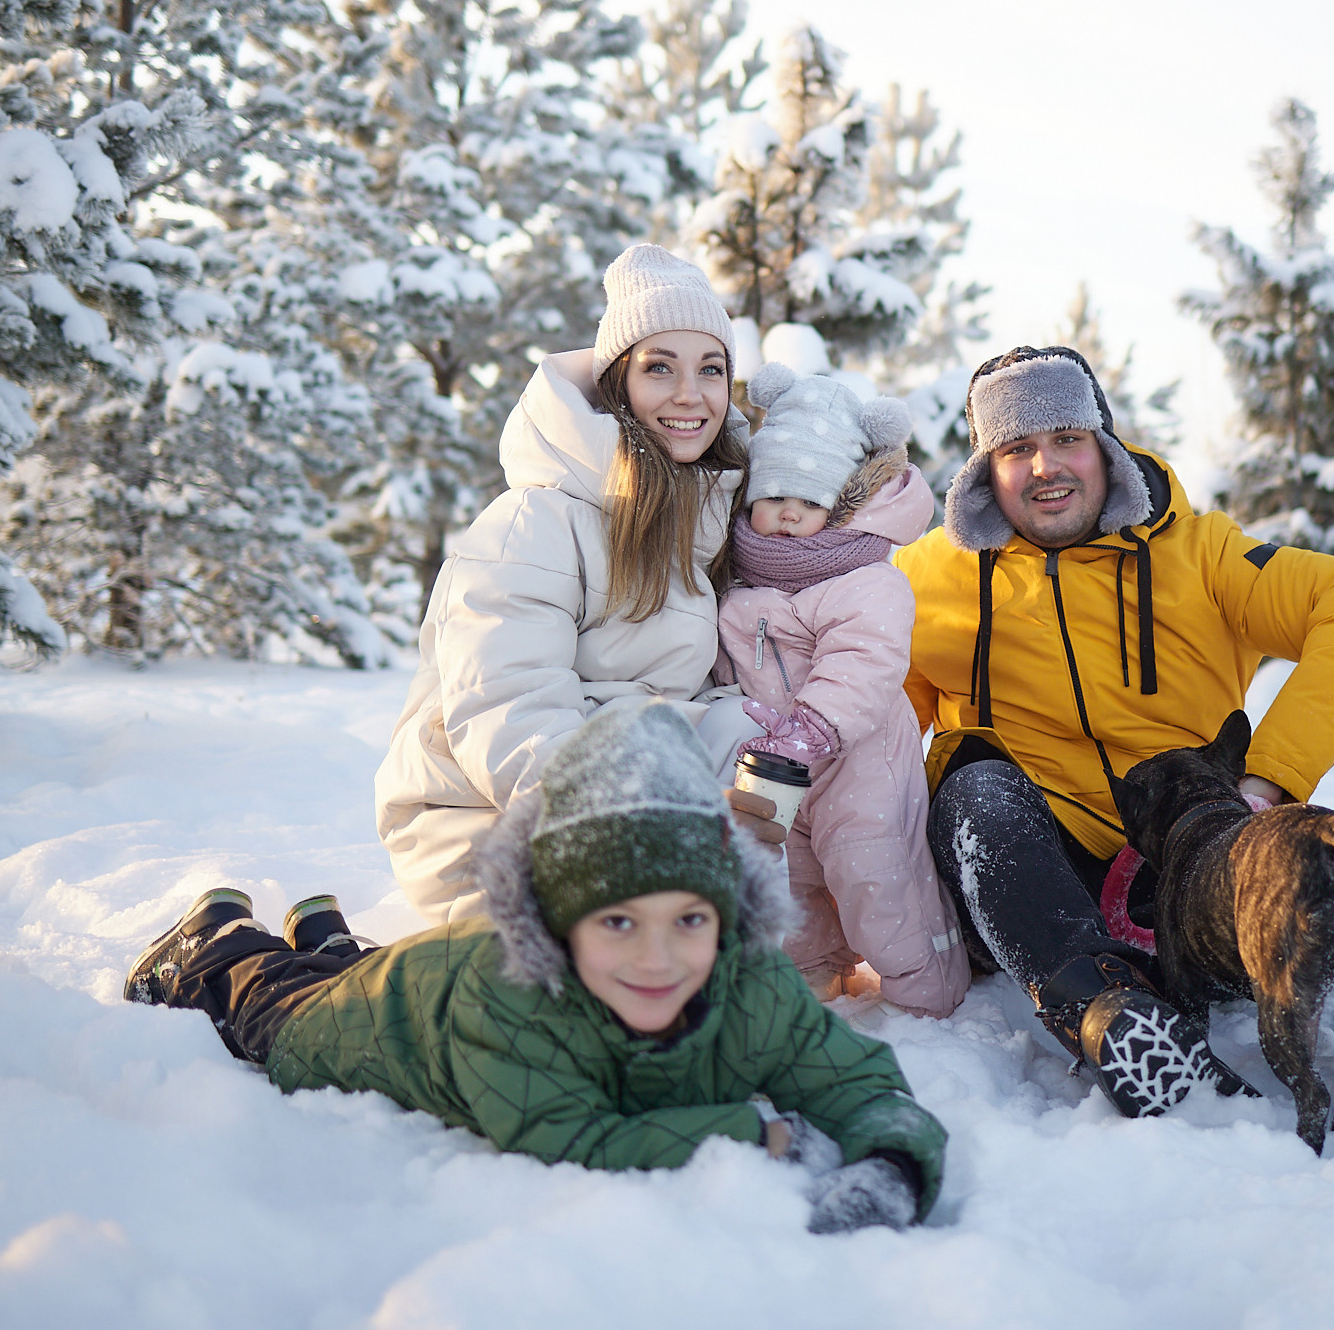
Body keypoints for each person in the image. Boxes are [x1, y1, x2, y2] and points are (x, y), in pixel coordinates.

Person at [896, 345, 1334, 1121]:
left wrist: (1268, 781)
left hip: (1200, 872)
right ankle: (1109, 1016)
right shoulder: (926, 582)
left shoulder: (1201, 555)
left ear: (1106, 445)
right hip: (1035, 881)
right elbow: (869, 725)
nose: (1044, 466)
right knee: (974, 791)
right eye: (1016, 447)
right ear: (985, 469)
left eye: (1066, 438)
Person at [127, 701, 946, 1234]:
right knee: (276, 1004)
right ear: (557, 924)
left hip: (423, 978)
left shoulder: (751, 983)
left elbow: (856, 1080)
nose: (657, 957)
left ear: (729, 915)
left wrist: (891, 1161)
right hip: (377, 1020)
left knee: (351, 971)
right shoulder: (512, 999)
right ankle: (221, 931)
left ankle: (328, 935)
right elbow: (570, 1132)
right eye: (618, 921)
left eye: (688, 920)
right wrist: (749, 1132)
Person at [375, 244, 780, 926]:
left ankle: (766, 961)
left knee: (756, 733)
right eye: (660, 368)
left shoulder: (698, 523)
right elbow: (508, 713)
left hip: (617, 806)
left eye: (711, 369)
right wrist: (650, 822)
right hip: (482, 822)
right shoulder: (534, 520)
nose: (690, 394)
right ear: (616, 383)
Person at [717, 364, 969, 1017]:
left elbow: (867, 658)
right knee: (791, 875)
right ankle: (813, 974)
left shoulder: (865, 578)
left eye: (809, 499)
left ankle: (927, 984)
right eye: (774, 495)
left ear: (840, 505)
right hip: (777, 767)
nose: (789, 513)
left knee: (874, 870)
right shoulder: (743, 586)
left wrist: (813, 724)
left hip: (859, 760)